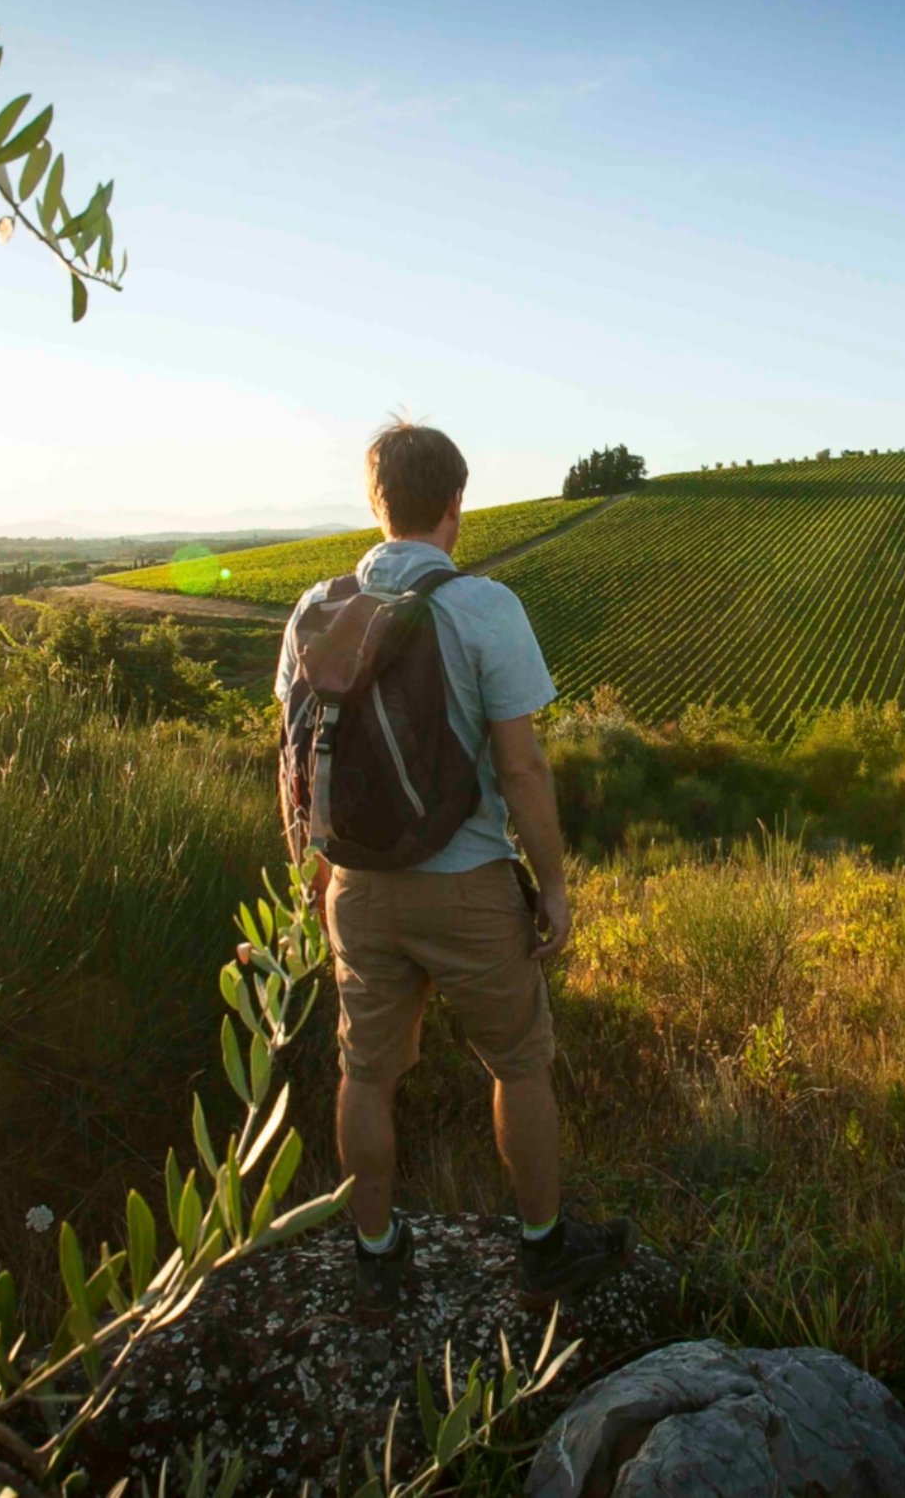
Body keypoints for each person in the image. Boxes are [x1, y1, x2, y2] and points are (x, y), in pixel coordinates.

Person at [264, 417, 635, 1311]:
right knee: (518, 1063)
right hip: (467, 884)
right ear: (457, 504)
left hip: (354, 885)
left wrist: (313, 874)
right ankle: (544, 1251)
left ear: (375, 502)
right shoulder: (483, 608)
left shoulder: (314, 609)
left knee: (366, 1072)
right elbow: (522, 766)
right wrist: (550, 885)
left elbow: (293, 760)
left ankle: (376, 1256)